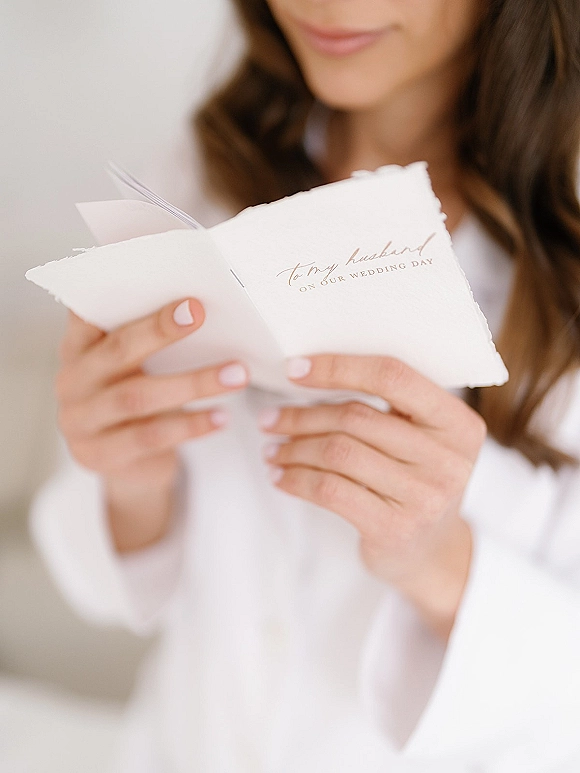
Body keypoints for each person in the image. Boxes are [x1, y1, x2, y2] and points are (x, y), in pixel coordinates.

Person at [31, 1, 580, 771]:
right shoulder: (192, 177)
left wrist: (436, 559)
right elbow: (98, 585)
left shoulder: (564, 252)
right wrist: (128, 479)